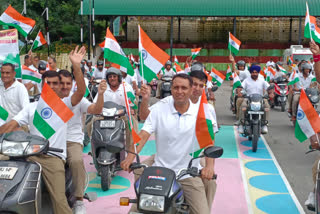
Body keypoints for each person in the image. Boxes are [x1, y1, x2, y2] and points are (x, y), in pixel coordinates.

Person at [0, 46, 87, 214]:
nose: (53, 86)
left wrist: (76, 66)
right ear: (42, 85)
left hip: (53, 158)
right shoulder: (32, 107)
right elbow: (12, 125)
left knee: (60, 202)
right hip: (28, 155)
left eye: (56, 83)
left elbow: (81, 91)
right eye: (49, 83)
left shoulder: (64, 104)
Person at [122, 73, 216, 214]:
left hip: (187, 175)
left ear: (190, 91)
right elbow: (142, 135)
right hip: (160, 171)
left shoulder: (201, 113)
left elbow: (208, 143)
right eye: (176, 87)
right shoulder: (160, 108)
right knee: (135, 211)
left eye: (184, 88)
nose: (179, 91)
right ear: (170, 89)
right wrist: (130, 157)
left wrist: (209, 166)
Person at [59, 70, 107, 214]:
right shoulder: (49, 99)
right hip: (52, 141)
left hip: (72, 141)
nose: (65, 86)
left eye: (68, 83)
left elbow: (96, 109)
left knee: (76, 161)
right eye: (62, 83)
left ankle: (79, 199)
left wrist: (101, 94)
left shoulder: (78, 99)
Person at [87, 67, 138, 149]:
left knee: (132, 124)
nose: (112, 78)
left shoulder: (126, 87)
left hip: (121, 115)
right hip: (104, 116)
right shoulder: (103, 87)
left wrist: (131, 110)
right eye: (110, 77)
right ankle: (95, 147)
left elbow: (132, 104)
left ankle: (130, 149)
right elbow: (95, 103)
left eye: (114, 76)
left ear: (119, 77)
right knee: (90, 125)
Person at [238, 64, 271, 134]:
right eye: (253, 72)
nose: (254, 74)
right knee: (243, 106)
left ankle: (265, 124)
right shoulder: (246, 80)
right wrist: (239, 92)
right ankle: (241, 123)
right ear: (250, 73)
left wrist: (271, 93)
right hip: (248, 98)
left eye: (256, 72)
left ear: (258, 73)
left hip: (260, 98)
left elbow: (268, 87)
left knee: (267, 106)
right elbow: (241, 87)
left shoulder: (262, 80)